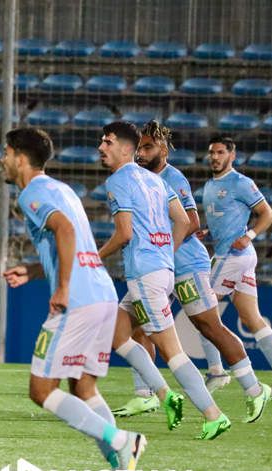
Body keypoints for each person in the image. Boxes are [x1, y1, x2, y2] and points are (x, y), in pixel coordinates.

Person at [1, 128, 146, 471]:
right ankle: (121, 465)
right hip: (102, 294)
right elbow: (75, 241)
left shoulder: (30, 194)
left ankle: (123, 440)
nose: (2, 161)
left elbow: (64, 230)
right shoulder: (61, 189)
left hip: (78, 298)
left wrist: (62, 287)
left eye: (6, 154)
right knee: (83, 387)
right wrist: (37, 270)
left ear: (20, 159)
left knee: (41, 391)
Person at [111, 122, 271, 424]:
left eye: (148, 148)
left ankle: (253, 387)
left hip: (185, 265)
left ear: (163, 149)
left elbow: (192, 220)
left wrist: (163, 250)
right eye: (140, 148)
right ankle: (145, 395)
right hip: (160, 267)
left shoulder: (172, 177)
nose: (142, 154)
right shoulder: (140, 178)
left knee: (209, 327)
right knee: (136, 327)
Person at [96, 121, 230, 440]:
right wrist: (164, 251)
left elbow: (124, 233)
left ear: (125, 149)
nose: (101, 148)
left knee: (173, 352)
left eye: (108, 142)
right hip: (161, 270)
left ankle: (214, 415)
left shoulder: (117, 182)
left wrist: (91, 257)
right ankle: (163, 394)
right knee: (117, 334)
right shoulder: (155, 180)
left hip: (145, 273)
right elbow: (183, 220)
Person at [199, 136, 272, 400]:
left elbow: (268, 214)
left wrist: (250, 235)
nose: (215, 157)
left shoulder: (241, 183)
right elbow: (224, 218)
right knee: (251, 318)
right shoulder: (209, 185)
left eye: (220, 152)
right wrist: (207, 230)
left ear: (232, 155)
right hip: (233, 256)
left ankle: (217, 371)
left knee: (200, 309)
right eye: (212, 153)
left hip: (233, 255)